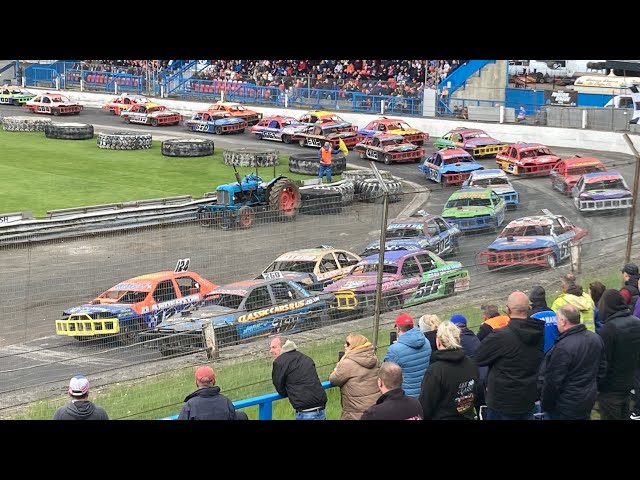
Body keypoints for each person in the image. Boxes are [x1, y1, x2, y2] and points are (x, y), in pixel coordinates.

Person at [474, 291, 545, 420]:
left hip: (503, 402)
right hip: (528, 396)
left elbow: (478, 357)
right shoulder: (538, 332)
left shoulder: (501, 336)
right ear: (529, 308)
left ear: (507, 310)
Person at [537, 304, 606, 420]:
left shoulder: (563, 347)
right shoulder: (595, 339)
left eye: (557, 320)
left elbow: (553, 381)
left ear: (563, 321)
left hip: (565, 405)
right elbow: (602, 368)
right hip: (587, 399)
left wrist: (546, 405)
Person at [419, 320, 479, 420]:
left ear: (438, 341)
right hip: (466, 415)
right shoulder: (470, 363)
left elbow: (425, 406)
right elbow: (475, 391)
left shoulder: (435, 370)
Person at [596, 289, 640, 420]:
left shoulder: (609, 329)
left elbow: (603, 361)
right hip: (629, 381)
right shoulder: (637, 322)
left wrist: (597, 385)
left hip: (610, 388)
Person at [270, 335, 327, 420]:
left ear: (283, 347)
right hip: (320, 407)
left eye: (274, 347)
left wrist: (291, 392)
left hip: (305, 411)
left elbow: (280, 388)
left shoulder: (279, 363)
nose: (271, 351)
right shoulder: (305, 358)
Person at [328, 333, 380, 420]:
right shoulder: (374, 359)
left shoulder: (347, 363)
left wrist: (339, 363)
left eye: (348, 344)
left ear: (355, 346)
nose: (345, 345)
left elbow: (333, 380)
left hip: (355, 412)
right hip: (375, 408)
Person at [383, 312, 431, 398]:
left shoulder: (394, 350)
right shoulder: (426, 342)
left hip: (407, 397)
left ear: (397, 329)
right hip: (426, 393)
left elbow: (386, 370)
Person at [529, 285, 558, 353]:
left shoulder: (531, 316)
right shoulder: (553, 313)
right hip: (555, 352)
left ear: (531, 299)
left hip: (539, 354)